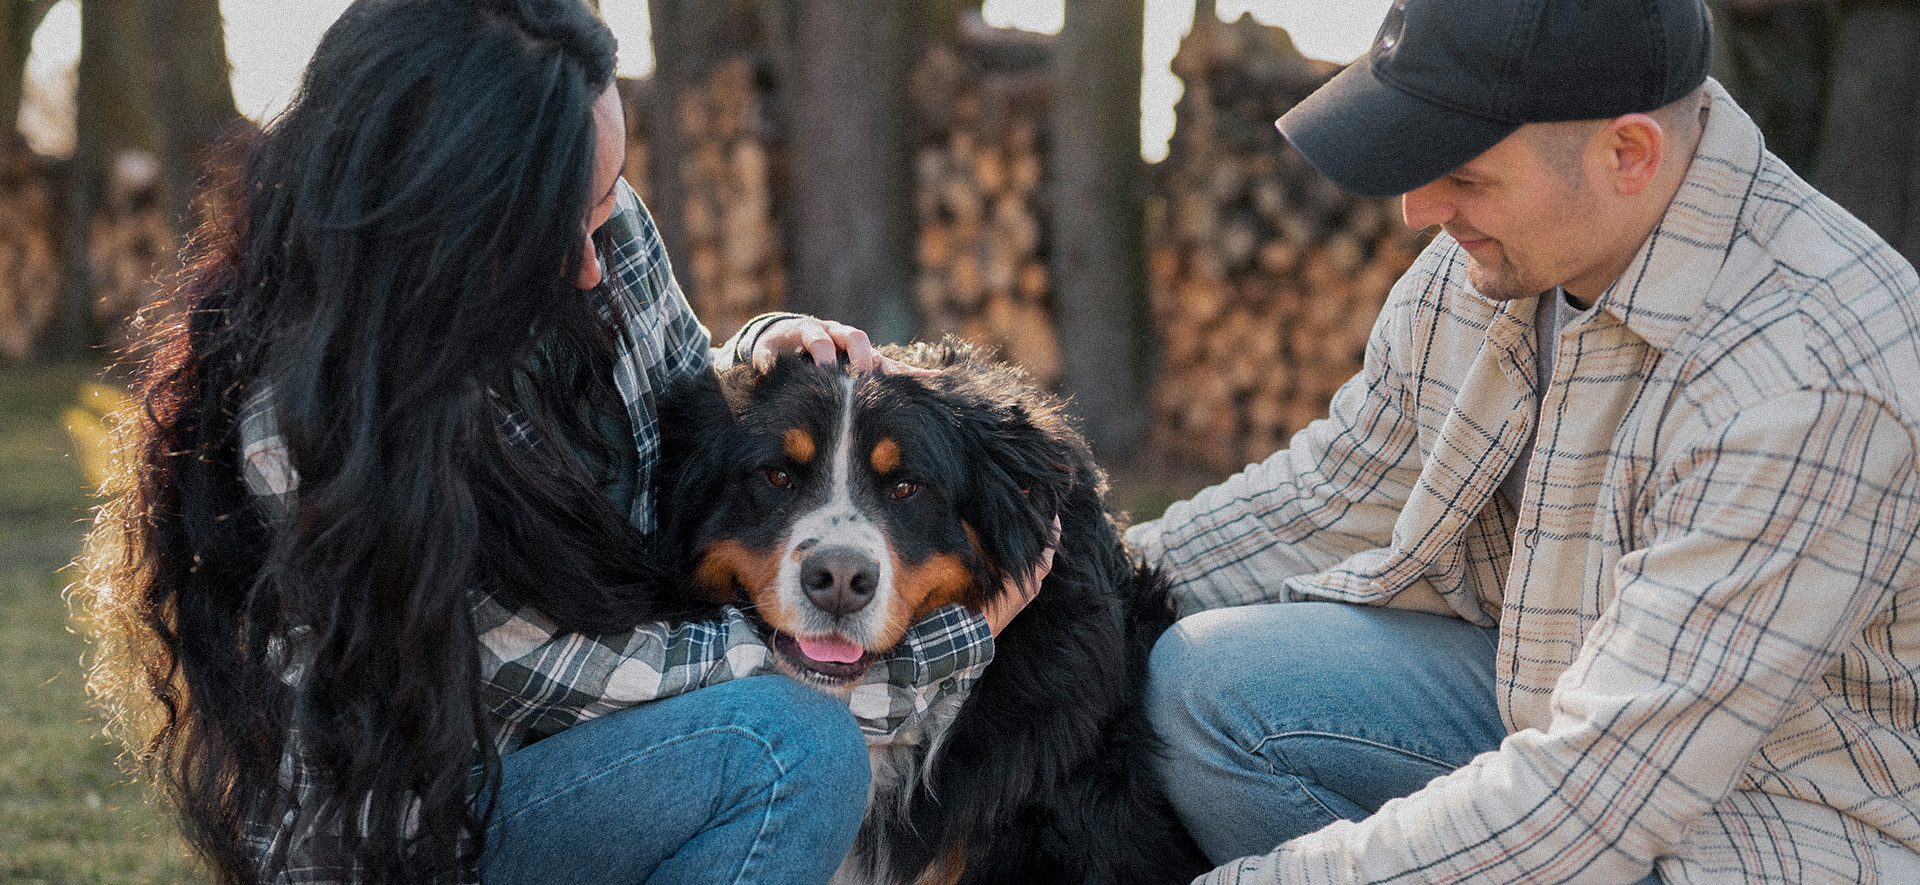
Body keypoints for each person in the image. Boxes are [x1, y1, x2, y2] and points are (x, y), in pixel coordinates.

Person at [73, 1, 1041, 883]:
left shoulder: (595, 214)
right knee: (790, 750)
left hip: (582, 767)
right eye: (553, 227)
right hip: (415, 840)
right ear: (433, 222)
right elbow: (574, 683)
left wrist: (760, 353)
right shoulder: (306, 426)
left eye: (604, 198)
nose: (594, 260)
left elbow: (675, 395)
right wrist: (946, 643)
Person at [1132, 0, 1920, 882]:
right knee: (1204, 687)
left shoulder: (1805, 380)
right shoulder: (1502, 259)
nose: (1418, 210)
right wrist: (1065, 582)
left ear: (1628, 154)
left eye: (1465, 175)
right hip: (1551, 710)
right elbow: (1330, 493)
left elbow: (1594, 800)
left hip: (1760, 827)